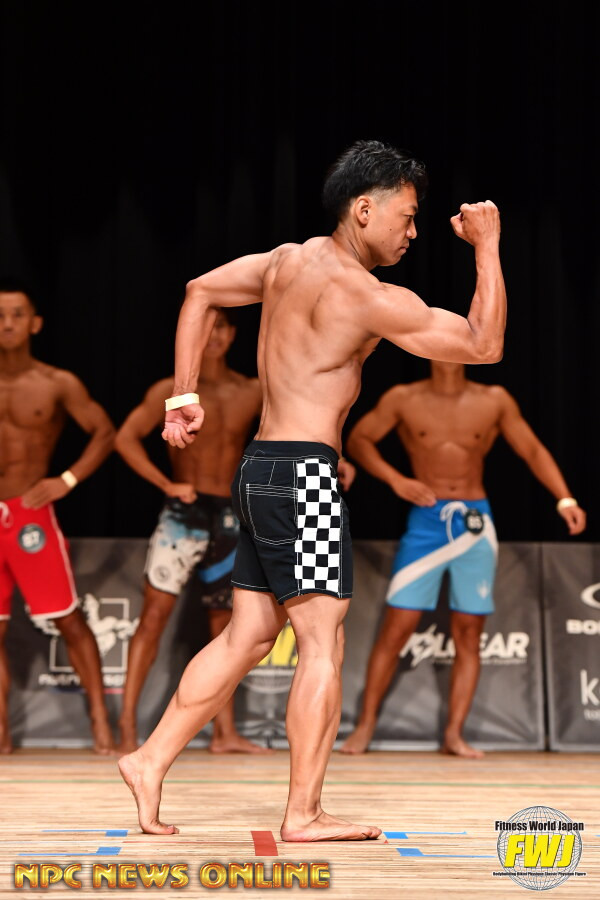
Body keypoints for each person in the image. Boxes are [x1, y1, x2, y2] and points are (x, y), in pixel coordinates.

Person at [118, 139, 507, 842]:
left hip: (259, 468)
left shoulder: (284, 262)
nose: (414, 233)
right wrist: (487, 246)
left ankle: (148, 761)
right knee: (324, 643)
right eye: (408, 218)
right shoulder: (367, 297)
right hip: (304, 476)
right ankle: (302, 813)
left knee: (248, 635)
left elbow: (198, 290)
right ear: (364, 210)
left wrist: (183, 394)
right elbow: (484, 344)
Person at [340, 361, 586, 758]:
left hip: (475, 524)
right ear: (428, 348)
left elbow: (532, 449)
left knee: (469, 632)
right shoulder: (404, 398)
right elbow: (359, 440)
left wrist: (565, 498)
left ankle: (454, 734)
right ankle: (364, 725)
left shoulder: (494, 400)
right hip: (426, 521)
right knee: (398, 627)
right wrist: (396, 479)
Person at [115, 309, 270, 754]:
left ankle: (225, 733)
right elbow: (125, 438)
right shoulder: (172, 392)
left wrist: (335, 456)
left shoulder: (252, 390)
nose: (213, 336)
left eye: (221, 327)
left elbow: (293, 427)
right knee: (152, 619)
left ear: (233, 334)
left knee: (228, 628)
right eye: (206, 327)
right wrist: (165, 483)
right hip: (182, 514)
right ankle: (126, 727)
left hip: (231, 515)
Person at [0, 279, 116, 754]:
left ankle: (101, 722)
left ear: (35, 323)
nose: (7, 323)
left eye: (16, 315)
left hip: (30, 513)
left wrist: (66, 480)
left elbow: (104, 431)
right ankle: (1, 734)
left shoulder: (56, 382)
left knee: (68, 619)